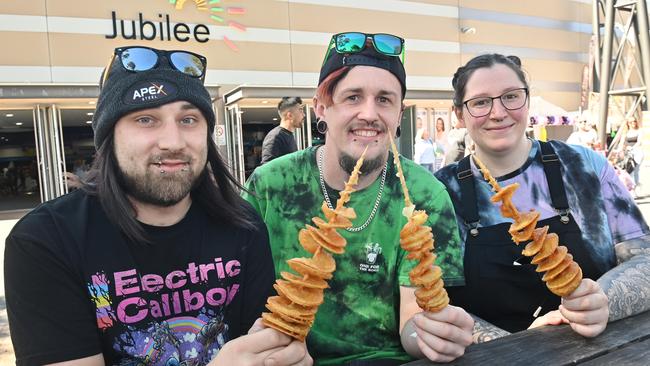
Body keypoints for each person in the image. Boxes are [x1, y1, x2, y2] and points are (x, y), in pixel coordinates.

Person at [5, 45, 311, 366]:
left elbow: (261, 346)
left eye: (188, 119)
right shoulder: (46, 241)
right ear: (109, 135)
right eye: (146, 119)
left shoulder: (243, 225)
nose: (173, 141)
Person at [243, 32, 473, 365]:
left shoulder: (424, 195)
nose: (369, 113)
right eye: (353, 97)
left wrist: (430, 335)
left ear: (399, 114)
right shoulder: (269, 186)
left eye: (384, 99)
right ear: (322, 107)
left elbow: (412, 314)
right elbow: (242, 297)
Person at [434, 53, 650, 343]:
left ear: (527, 100)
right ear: (459, 114)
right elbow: (431, 302)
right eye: (481, 102)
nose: (498, 112)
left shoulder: (584, 167)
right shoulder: (441, 193)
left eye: (511, 96)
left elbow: (645, 261)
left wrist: (603, 302)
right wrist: (518, 345)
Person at [260, 96, 305, 165]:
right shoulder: (275, 137)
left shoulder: (288, 135)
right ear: (290, 115)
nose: (303, 115)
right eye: (300, 110)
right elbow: (267, 169)